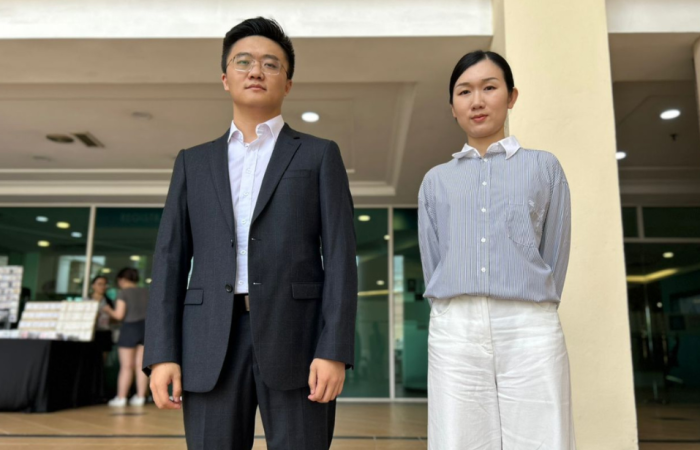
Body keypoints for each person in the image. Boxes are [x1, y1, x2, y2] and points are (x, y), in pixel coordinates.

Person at [143, 17, 357, 450]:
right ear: (225, 78)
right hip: (208, 341)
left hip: (298, 340)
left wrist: (334, 348)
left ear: (288, 83)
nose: (256, 71)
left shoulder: (319, 155)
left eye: (270, 64)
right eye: (243, 62)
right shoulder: (193, 163)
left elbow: (339, 256)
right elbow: (169, 260)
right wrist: (162, 353)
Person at [418, 50, 575, 449]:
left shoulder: (544, 168)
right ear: (452, 107)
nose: (477, 101)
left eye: (489, 88)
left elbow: (554, 252)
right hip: (456, 327)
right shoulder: (436, 181)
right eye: (464, 91)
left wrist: (534, 299)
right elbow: (434, 260)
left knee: (543, 436)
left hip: (530, 325)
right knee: (458, 438)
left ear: (511, 96)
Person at [102, 267, 150, 407]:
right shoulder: (146, 291)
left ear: (122, 279)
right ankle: (140, 397)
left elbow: (119, 315)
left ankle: (121, 398)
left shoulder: (123, 293)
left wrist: (107, 310)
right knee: (141, 366)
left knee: (126, 366)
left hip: (129, 329)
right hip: (145, 329)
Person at [90, 275, 114, 361]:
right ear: (93, 286)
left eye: (104, 284)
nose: (103, 287)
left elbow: (114, 319)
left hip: (105, 333)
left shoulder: (109, 301)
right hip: (91, 333)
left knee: (103, 359)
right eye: (99, 284)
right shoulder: (88, 300)